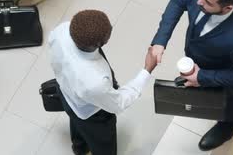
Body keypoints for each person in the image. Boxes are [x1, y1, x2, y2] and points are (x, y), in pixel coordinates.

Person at [149, 0, 233, 151]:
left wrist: (202, 78)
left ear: (228, 7)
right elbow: (178, 1)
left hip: (219, 71)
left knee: (230, 96)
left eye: (207, 2)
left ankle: (229, 124)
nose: (199, 0)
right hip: (197, 55)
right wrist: (160, 41)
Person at [48, 10, 158, 155]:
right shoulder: (95, 82)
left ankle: (80, 148)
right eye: (108, 33)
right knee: (104, 145)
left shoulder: (61, 31)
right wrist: (147, 70)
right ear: (100, 44)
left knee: (76, 122)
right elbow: (118, 103)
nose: (111, 27)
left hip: (66, 94)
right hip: (93, 115)